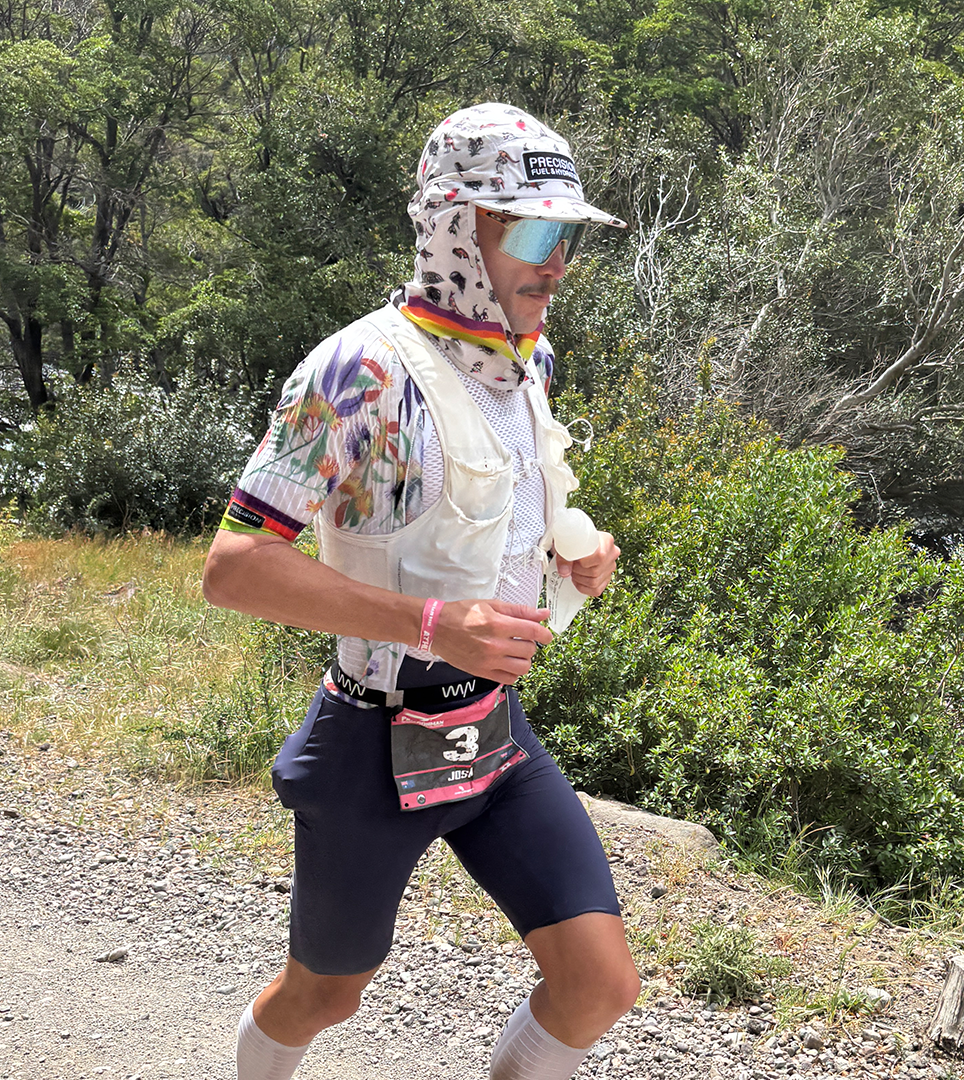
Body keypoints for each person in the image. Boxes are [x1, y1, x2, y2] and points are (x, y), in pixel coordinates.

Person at [203, 101, 640, 1080]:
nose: (557, 265)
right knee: (328, 994)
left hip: (490, 732)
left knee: (599, 984)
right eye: (532, 234)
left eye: (567, 238)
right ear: (455, 229)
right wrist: (432, 624)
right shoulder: (356, 372)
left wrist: (568, 562)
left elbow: (482, 526)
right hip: (371, 741)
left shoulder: (527, 364)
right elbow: (234, 566)